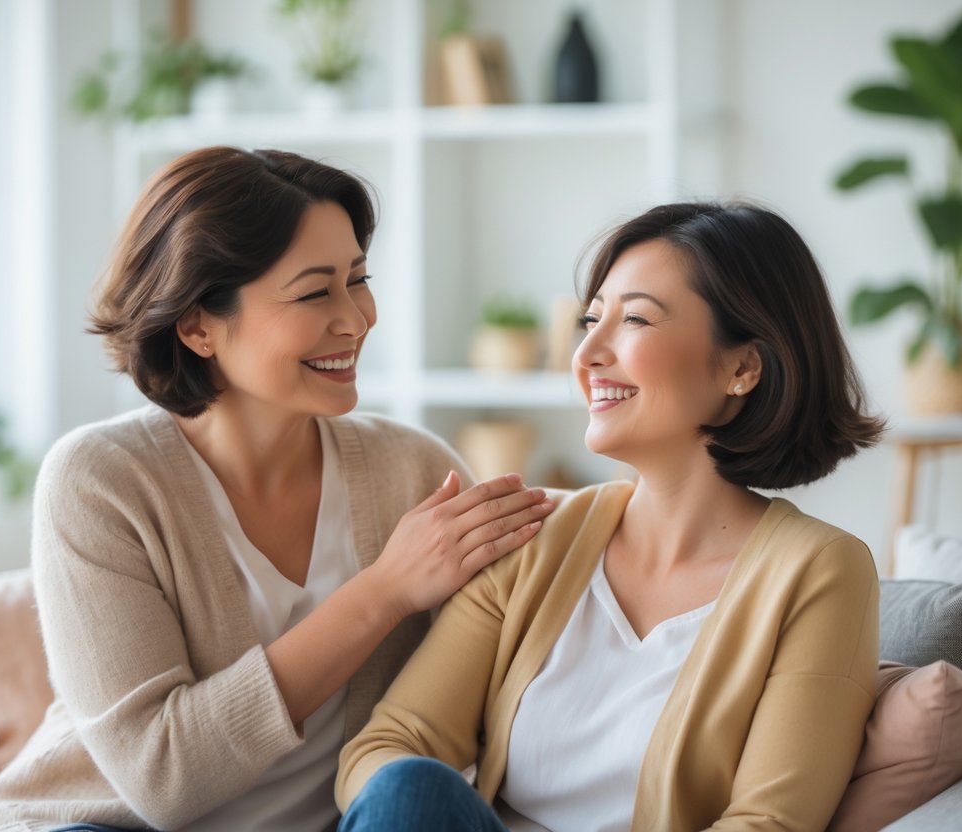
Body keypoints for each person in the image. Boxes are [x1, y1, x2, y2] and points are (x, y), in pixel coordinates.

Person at [0, 146, 556, 832]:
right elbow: (163, 778)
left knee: (413, 794)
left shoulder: (412, 470)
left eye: (357, 280)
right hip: (112, 827)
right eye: (315, 292)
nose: (356, 318)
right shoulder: (100, 481)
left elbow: (516, 668)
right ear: (196, 325)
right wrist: (385, 590)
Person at [335, 201, 886, 832]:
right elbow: (385, 746)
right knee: (406, 788)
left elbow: (770, 822)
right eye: (591, 320)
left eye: (636, 321)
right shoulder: (532, 536)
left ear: (742, 367)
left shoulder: (821, 570)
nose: (587, 353)